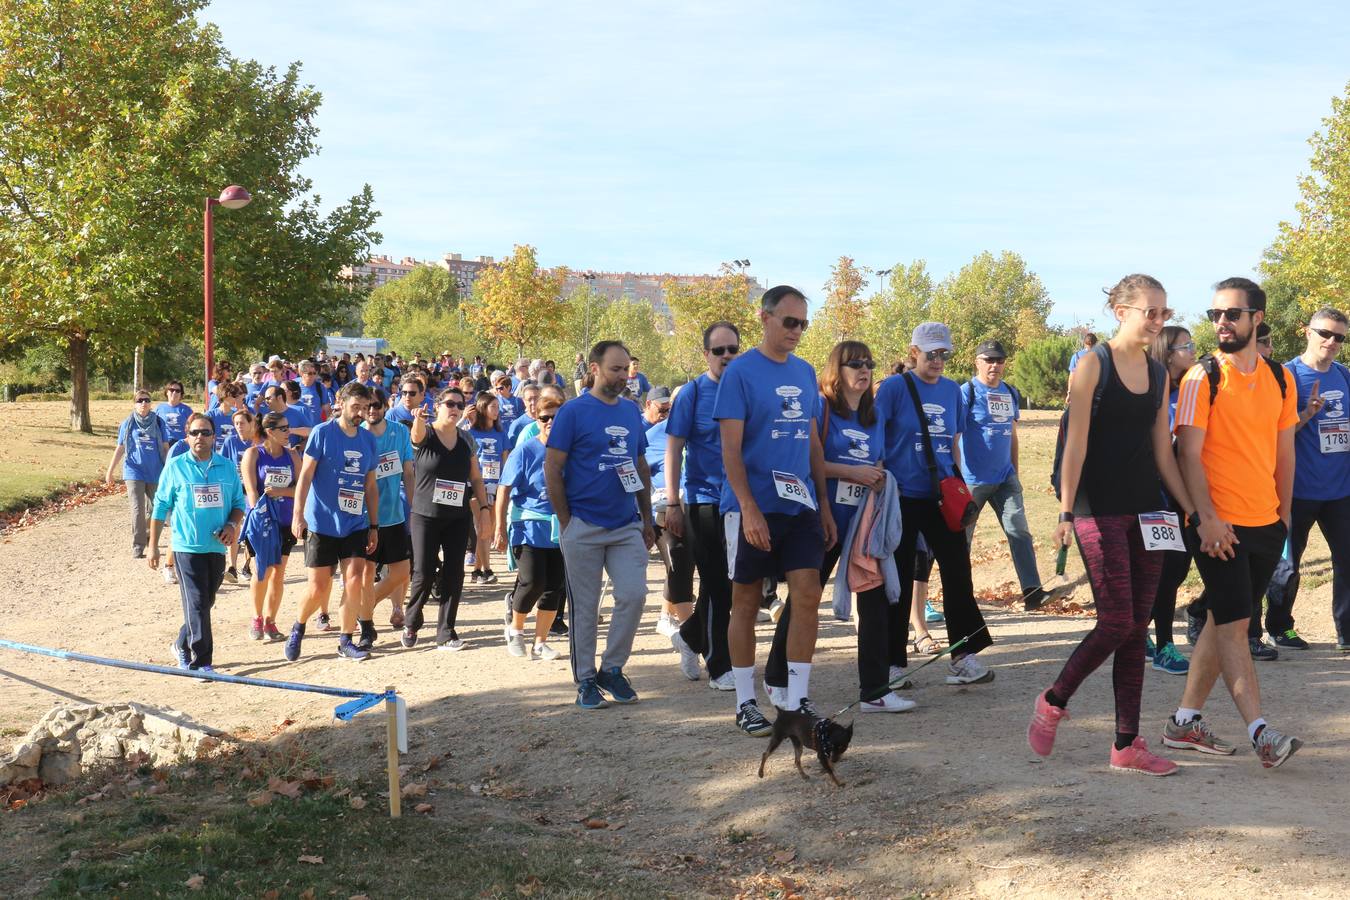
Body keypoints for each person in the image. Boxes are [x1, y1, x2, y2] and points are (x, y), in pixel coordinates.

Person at [1027, 274, 1196, 775]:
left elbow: (1164, 453)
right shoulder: (1092, 364)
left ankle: (1126, 744)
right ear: (1121, 311)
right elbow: (1074, 443)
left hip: (1149, 509)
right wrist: (1064, 510)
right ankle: (1053, 700)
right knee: (1118, 620)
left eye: (1165, 313)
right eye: (1151, 311)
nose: (1159, 321)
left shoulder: (1160, 374)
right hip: (1096, 508)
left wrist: (1189, 507)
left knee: (1136, 625)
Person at [1165, 276, 1302, 768]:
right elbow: (1188, 456)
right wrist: (1206, 519)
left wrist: (1284, 516)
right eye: (1215, 314)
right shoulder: (1204, 377)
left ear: (1256, 318)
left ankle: (1183, 722)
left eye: (1231, 314)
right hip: (1217, 527)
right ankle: (1261, 732)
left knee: (1223, 620)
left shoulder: (1281, 379)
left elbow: (1284, 452)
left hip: (1266, 523)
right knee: (1236, 626)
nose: (1221, 322)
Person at [715, 286, 837, 735]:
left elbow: (812, 444)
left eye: (803, 323)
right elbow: (730, 450)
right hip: (752, 507)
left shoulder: (805, 373)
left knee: (807, 597)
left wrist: (823, 504)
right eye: (790, 322)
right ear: (764, 318)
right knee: (745, 602)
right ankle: (746, 703)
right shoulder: (740, 373)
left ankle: (798, 700)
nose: (798, 331)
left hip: (800, 505)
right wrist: (748, 508)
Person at [769, 340, 912, 712]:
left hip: (863, 524)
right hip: (823, 518)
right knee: (805, 598)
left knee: (875, 601)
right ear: (837, 370)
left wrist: (877, 477)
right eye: (854, 364)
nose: (863, 370)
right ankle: (776, 677)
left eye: (868, 363)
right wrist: (851, 472)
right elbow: (806, 460)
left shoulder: (875, 414)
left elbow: (877, 460)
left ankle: (875, 691)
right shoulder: (820, 407)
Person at [874, 322, 994, 688]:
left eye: (944, 353)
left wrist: (959, 485)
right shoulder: (894, 388)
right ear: (914, 353)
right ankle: (893, 662)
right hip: (903, 496)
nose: (938, 360)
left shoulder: (951, 392)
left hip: (941, 496)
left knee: (958, 573)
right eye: (931, 353)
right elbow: (878, 439)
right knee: (897, 578)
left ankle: (963, 656)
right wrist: (878, 490)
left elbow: (953, 442)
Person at [545, 340, 657, 710]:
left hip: (626, 523)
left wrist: (647, 519)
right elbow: (553, 468)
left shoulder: (630, 411)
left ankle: (613, 669)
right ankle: (587, 679)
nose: (624, 376)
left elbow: (640, 466)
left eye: (627, 369)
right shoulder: (573, 412)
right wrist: (567, 522)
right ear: (594, 369)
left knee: (634, 594)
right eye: (616, 369)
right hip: (584, 524)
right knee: (585, 606)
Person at [1266, 308, 1350, 652]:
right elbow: (1271, 434)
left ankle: (1346, 633)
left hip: (1340, 491)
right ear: (1307, 332)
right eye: (1324, 334)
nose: (1331, 342)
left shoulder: (1345, 375)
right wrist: (1305, 415)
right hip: (1296, 490)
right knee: (1287, 565)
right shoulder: (1285, 376)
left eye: (1339, 337)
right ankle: (1280, 627)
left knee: (1347, 561)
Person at [284, 382, 382, 662]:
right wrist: (298, 513)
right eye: (356, 407)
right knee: (318, 587)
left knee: (354, 581)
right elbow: (305, 476)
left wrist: (373, 525)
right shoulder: (322, 433)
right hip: (322, 521)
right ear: (341, 402)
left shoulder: (368, 440)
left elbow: (370, 485)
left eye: (365, 408)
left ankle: (345, 640)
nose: (361, 413)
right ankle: (299, 626)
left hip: (355, 522)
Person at [959, 339, 1059, 610]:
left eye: (999, 360)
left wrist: (1014, 472)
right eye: (989, 360)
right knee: (961, 541)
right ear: (977, 362)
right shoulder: (965, 393)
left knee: (1019, 533)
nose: (994, 365)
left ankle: (1032, 592)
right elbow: (955, 435)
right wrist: (955, 478)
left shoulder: (1010, 393)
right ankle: (960, 598)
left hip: (1005, 479)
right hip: (972, 481)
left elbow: (1012, 435)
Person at [665, 322, 739, 686]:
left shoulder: (744, 389)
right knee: (717, 584)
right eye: (719, 350)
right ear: (705, 354)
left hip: (739, 502)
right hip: (702, 500)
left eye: (732, 349)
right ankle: (719, 666)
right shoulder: (692, 393)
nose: (726, 356)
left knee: (726, 583)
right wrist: (673, 502)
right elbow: (674, 448)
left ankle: (689, 635)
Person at [148, 413, 247, 677]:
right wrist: (153, 545)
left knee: (205, 602)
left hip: (216, 546)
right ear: (186, 437)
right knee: (197, 602)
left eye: (205, 432)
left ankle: (181, 643)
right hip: (186, 547)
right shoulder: (176, 466)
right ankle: (201, 661)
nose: (199, 437)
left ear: (214, 437)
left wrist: (230, 526)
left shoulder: (226, 467)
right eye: (194, 433)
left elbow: (239, 504)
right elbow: (160, 506)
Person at [401, 387, 493, 649]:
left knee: (455, 572)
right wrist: (418, 419)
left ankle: (446, 631)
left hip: (457, 516)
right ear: (438, 406)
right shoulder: (426, 433)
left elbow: (476, 478)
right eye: (449, 404)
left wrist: (484, 510)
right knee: (423, 571)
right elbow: (416, 437)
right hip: (425, 515)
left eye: (459, 405)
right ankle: (411, 622)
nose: (454, 408)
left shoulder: (465, 440)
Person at [494, 390, 567, 659]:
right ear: (537, 420)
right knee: (532, 581)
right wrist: (499, 527)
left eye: (555, 418)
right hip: (528, 524)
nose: (550, 422)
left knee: (554, 587)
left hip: (560, 527)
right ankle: (515, 630)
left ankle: (540, 642)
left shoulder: (569, 451)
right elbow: (504, 489)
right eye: (545, 417)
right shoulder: (525, 450)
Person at [1144, 324, 1197, 676]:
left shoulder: (1189, 392)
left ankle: (1134, 631)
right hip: (1153, 497)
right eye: (1185, 345)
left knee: (1176, 571)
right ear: (1167, 351)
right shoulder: (1149, 392)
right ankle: (1164, 645)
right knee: (1165, 572)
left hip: (1185, 496)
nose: (1192, 350)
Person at [239, 411, 302, 641]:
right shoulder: (253, 454)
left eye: (289, 428)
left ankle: (270, 621)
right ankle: (256, 617)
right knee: (261, 571)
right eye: (284, 429)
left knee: (278, 574)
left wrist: (281, 493)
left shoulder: (292, 456)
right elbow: (251, 492)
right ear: (270, 432)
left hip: (285, 521)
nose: (288, 433)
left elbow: (301, 489)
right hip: (261, 522)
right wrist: (263, 513)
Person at [361, 389, 416, 645]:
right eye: (367, 406)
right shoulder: (357, 434)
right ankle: (364, 619)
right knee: (367, 571)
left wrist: (415, 507)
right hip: (364, 517)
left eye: (376, 406)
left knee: (402, 572)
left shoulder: (400, 432)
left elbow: (408, 471)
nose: (372, 410)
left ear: (385, 406)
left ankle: (364, 607)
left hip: (394, 513)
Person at [106, 391, 170, 559]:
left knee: (157, 508)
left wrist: (170, 468)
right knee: (137, 508)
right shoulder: (128, 424)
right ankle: (138, 545)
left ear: (151, 403)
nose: (143, 403)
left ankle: (149, 535)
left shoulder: (159, 422)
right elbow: (120, 448)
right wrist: (110, 471)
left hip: (156, 471)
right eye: (140, 401)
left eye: (146, 400)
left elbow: (165, 447)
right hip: (133, 470)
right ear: (134, 404)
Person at [468, 391, 509, 584]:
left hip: (495, 485)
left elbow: (505, 461)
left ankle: (476, 571)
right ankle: (487, 570)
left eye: (498, 407)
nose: (496, 410)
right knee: (481, 526)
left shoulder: (501, 433)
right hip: (477, 484)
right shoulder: (471, 433)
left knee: (487, 528)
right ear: (483, 408)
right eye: (493, 406)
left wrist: (504, 486)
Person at [506, 384, 542, 451]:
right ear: (524, 401)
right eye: (529, 399)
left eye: (536, 398)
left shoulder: (547, 421)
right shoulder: (517, 425)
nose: (533, 402)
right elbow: (511, 451)